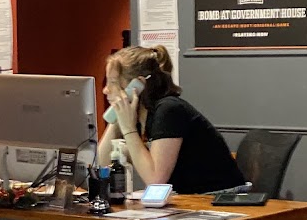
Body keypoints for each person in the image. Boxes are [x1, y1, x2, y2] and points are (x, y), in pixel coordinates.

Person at [99, 45, 245, 194]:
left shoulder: (169, 110)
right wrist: (116, 119)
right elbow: (100, 165)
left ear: (137, 86)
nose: (105, 90)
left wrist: (128, 129)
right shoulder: (138, 115)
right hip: (192, 198)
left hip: (221, 197)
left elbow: (156, 181)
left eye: (113, 82)